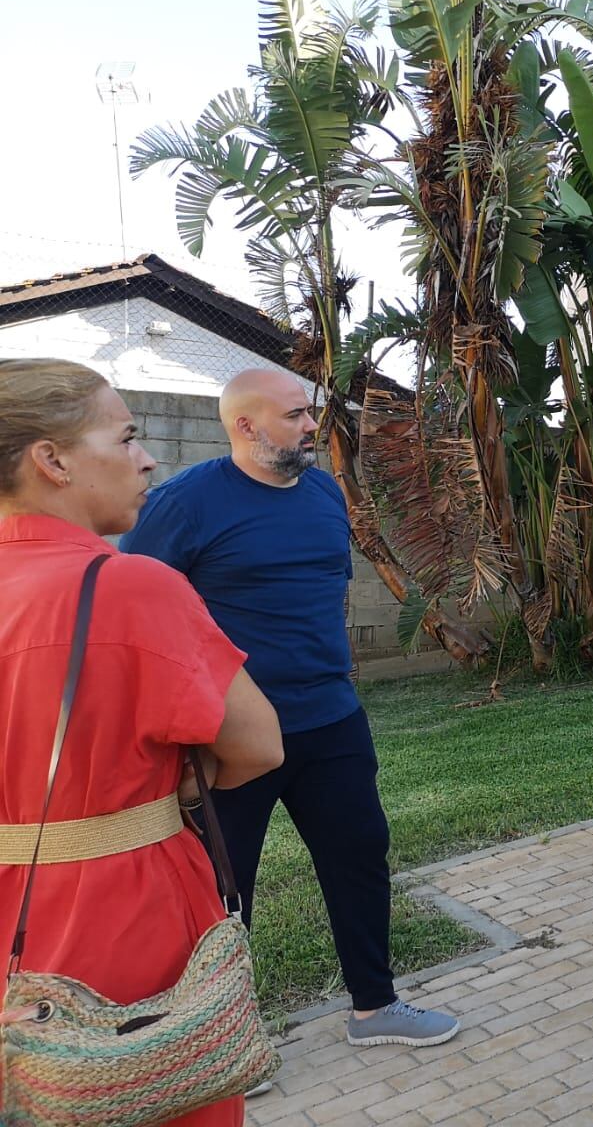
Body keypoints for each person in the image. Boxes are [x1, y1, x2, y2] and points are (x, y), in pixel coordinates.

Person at [120, 368, 459, 1051]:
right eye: (297, 415)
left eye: (312, 414)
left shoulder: (325, 491)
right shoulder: (183, 504)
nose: (312, 427)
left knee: (359, 856)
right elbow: (141, 614)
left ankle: (375, 1007)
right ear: (245, 426)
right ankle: (221, 1039)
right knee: (222, 888)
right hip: (231, 735)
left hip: (331, 720)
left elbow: (326, 591)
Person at [0, 359, 283, 1127]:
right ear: (50, 461)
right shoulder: (129, 587)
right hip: (123, 912)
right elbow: (258, 745)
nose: (147, 457)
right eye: (125, 436)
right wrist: (182, 791)